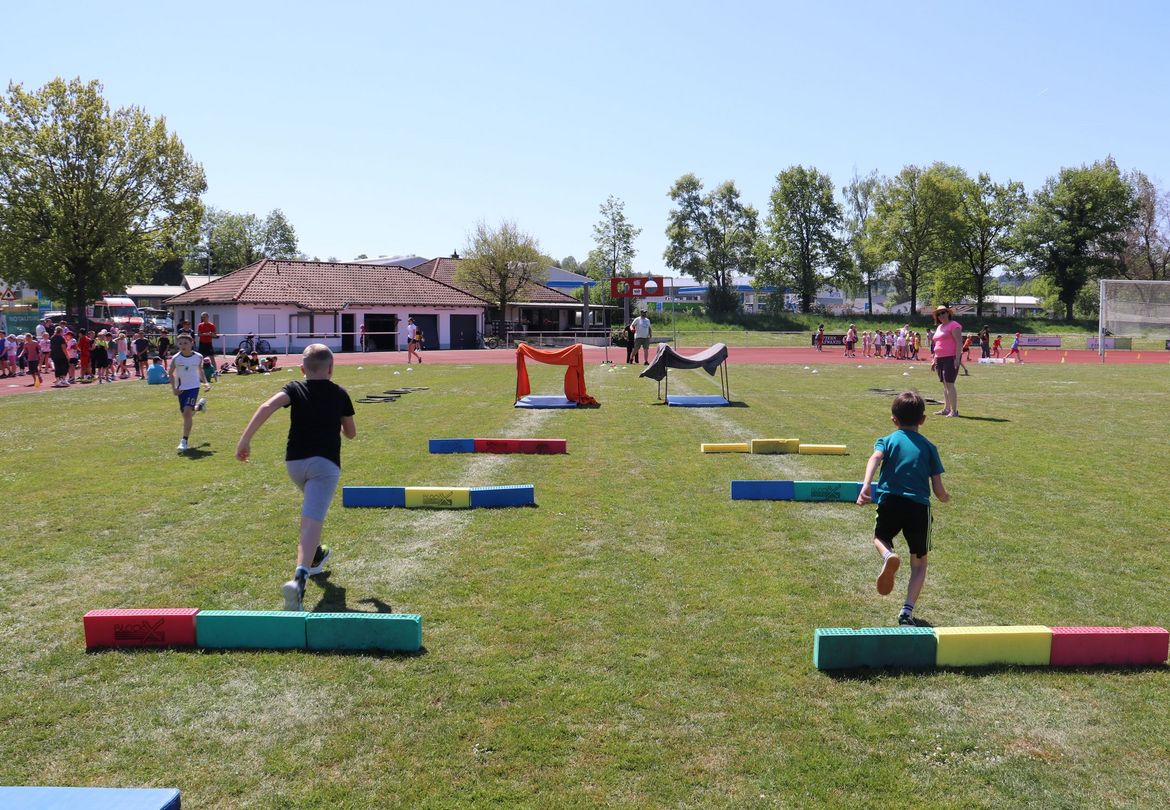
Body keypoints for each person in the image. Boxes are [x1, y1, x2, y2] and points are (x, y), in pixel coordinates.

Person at [236, 344, 356, 611]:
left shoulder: (293, 387)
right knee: (311, 522)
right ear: (331, 369)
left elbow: (267, 406)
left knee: (313, 514)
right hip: (324, 465)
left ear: (302, 369)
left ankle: (315, 557)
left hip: (295, 464)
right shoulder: (340, 393)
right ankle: (299, 578)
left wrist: (244, 441)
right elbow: (351, 433)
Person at [856, 391, 949, 626]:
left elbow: (874, 459)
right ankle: (907, 611)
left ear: (893, 419)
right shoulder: (929, 447)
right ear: (923, 420)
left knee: (880, 537)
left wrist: (867, 484)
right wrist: (945, 497)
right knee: (919, 562)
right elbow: (938, 489)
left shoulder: (886, 440)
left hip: (890, 500)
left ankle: (888, 555)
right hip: (918, 507)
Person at [169, 332, 210, 453]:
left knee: (187, 413)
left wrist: (205, 382)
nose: (183, 345)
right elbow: (170, 373)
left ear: (192, 343)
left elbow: (200, 370)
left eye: (185, 343)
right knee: (187, 413)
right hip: (181, 389)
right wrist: (174, 389)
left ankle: (184, 441)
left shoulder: (198, 356)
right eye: (180, 343)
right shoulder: (176, 358)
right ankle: (199, 407)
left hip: (193, 387)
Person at [930, 304, 962, 417]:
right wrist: (934, 359)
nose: (941, 315)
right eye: (939, 314)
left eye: (943, 312)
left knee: (949, 384)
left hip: (950, 357)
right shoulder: (939, 327)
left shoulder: (954, 325)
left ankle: (954, 411)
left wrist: (957, 358)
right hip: (940, 358)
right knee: (945, 385)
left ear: (948, 313)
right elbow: (937, 344)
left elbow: (959, 342)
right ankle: (946, 409)